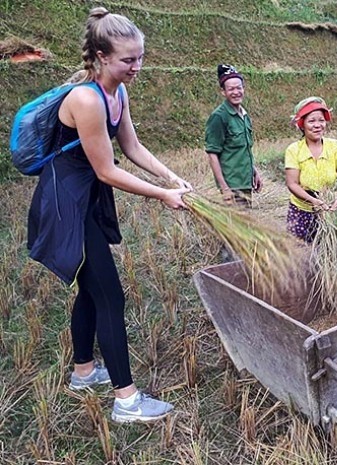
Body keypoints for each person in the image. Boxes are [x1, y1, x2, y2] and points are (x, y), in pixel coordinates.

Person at [27, 7, 192, 424]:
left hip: (88, 196)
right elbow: (107, 169)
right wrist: (162, 195)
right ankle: (127, 401)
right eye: (128, 59)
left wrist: (172, 176)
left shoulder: (118, 92)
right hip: (68, 204)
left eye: (140, 57)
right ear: (102, 56)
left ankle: (84, 372)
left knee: (90, 288)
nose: (137, 66)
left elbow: (132, 148)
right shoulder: (86, 98)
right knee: (109, 295)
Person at [284, 97, 337, 243]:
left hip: (329, 211)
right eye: (311, 121)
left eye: (321, 120)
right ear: (302, 125)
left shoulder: (335, 147)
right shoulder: (294, 150)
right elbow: (292, 184)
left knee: (328, 250)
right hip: (301, 212)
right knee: (299, 255)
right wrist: (312, 201)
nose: (317, 125)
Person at [205, 64, 262, 207]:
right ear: (223, 92)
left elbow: (243, 149)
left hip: (246, 183)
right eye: (231, 89)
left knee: (247, 226)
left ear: (243, 89)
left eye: (239, 88)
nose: (236, 92)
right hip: (232, 186)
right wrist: (225, 189)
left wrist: (254, 172)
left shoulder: (244, 114)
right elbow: (213, 154)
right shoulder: (219, 116)